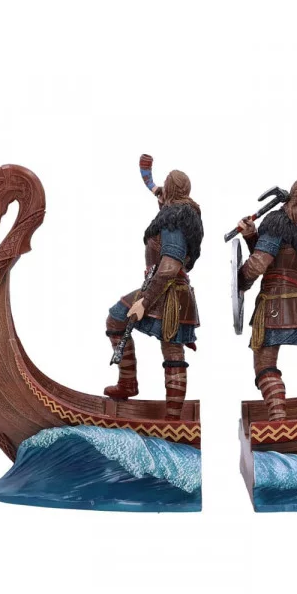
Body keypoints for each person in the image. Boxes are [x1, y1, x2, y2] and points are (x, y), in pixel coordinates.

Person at [104, 170, 203, 419]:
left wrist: (144, 303)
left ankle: (173, 418)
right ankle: (128, 383)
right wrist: (159, 194)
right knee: (118, 318)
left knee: (170, 349)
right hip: (169, 290)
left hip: (167, 292)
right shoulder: (181, 214)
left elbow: (169, 265)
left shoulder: (174, 220)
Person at [237, 177, 297, 421]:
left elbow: (260, 263)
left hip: (274, 305)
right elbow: (282, 255)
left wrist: (240, 283)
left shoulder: (277, 221)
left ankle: (278, 416)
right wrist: (251, 236)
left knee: (265, 365)